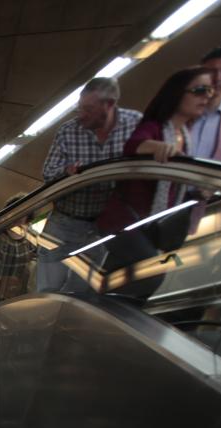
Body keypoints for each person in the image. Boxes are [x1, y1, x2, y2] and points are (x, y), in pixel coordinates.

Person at [96, 66, 214, 267]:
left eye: (209, 91)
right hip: (123, 222)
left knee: (118, 280)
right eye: (199, 90)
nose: (206, 97)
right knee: (152, 271)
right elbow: (133, 145)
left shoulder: (185, 138)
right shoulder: (154, 128)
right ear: (177, 93)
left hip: (149, 226)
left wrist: (198, 192)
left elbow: (173, 191)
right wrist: (156, 147)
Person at [38, 77, 143, 292]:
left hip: (101, 227)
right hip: (64, 222)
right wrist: (67, 172)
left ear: (110, 104)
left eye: (88, 109)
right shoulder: (68, 131)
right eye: (79, 108)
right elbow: (48, 173)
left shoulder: (134, 124)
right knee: (47, 290)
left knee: (81, 293)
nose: (81, 114)